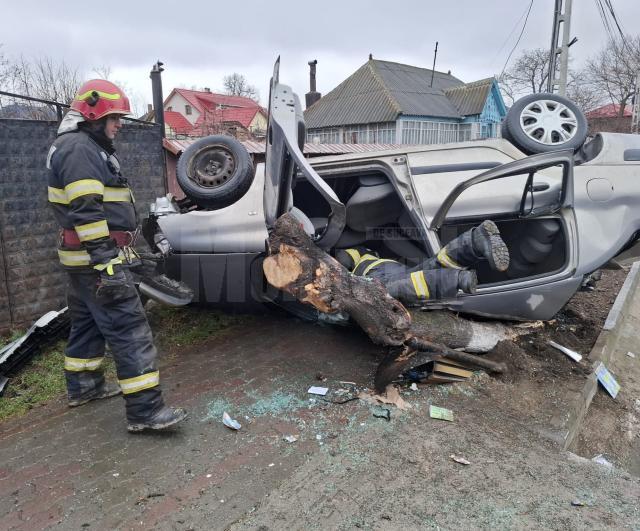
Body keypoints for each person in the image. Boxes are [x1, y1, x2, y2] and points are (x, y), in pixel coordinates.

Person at [46, 79, 186, 432]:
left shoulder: (79, 145)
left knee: (88, 324)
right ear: (93, 115)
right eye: (114, 117)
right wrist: (108, 263)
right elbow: (87, 211)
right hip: (96, 261)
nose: (119, 124)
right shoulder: (80, 149)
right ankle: (145, 412)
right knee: (129, 329)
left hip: (82, 262)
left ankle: (84, 387)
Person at [335, 220, 510, 305]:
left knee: (386, 291)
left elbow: (343, 258)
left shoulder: (361, 253)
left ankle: (456, 279)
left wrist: (344, 276)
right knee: (432, 266)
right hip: (395, 270)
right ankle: (473, 241)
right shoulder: (372, 255)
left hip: (376, 274)